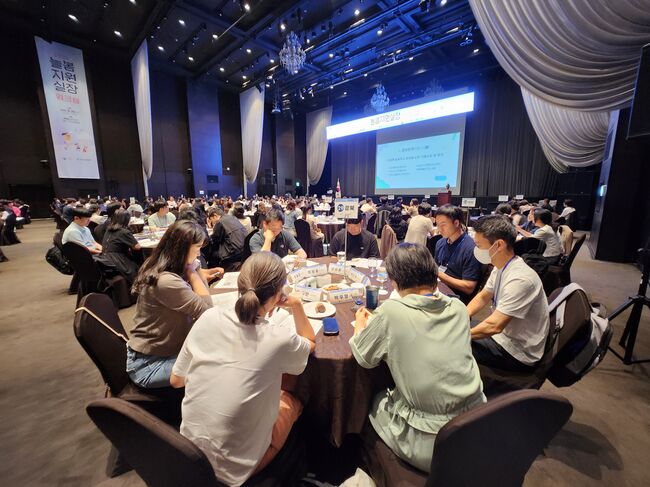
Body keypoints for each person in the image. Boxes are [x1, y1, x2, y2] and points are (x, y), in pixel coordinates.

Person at [170, 252, 315, 486]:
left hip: (189, 455)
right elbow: (310, 342)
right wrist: (296, 305)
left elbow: (176, 380)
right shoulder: (278, 338)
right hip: (236, 470)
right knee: (292, 395)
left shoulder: (208, 317)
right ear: (278, 294)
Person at [351, 243, 485, 472]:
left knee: (374, 400)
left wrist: (360, 326)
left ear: (394, 281)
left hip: (433, 444)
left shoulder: (392, 311)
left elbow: (364, 358)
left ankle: (366, 464)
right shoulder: (458, 307)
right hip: (478, 426)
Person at [127, 221, 223, 388]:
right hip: (149, 364)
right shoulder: (166, 280)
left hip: (166, 351)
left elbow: (203, 295)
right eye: (197, 247)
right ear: (183, 248)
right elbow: (207, 312)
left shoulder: (166, 266)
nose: (199, 253)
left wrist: (195, 268)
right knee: (219, 364)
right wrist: (193, 271)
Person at [467, 216, 550, 372]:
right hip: (503, 335)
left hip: (517, 352)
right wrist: (461, 316)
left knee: (448, 346)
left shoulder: (520, 279)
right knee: (450, 329)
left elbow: (495, 326)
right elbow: (483, 296)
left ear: (498, 245)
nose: (476, 250)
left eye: (479, 245)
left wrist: (458, 335)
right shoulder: (502, 266)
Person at [434, 205, 482, 303]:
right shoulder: (440, 242)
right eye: (437, 225)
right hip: (438, 289)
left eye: (443, 225)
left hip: (456, 298)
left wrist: (437, 274)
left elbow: (469, 287)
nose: (439, 229)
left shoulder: (471, 248)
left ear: (456, 223)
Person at [99, 209, 141, 286]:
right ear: (126, 220)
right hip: (117, 260)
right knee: (137, 267)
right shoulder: (124, 232)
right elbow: (137, 247)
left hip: (105, 258)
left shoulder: (109, 229)